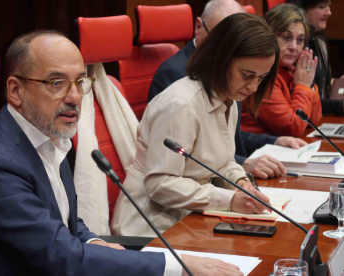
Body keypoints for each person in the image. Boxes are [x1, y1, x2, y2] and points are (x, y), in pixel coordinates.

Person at [0, 31, 243, 276]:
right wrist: (177, 265)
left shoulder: (49, 136)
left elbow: (66, 223)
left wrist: (96, 241)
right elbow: (60, 254)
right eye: (57, 82)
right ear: (15, 91)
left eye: (80, 81)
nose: (74, 96)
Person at [111, 13, 279, 237]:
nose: (254, 87)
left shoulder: (229, 96)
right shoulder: (181, 105)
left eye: (261, 77)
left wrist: (241, 182)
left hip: (194, 218)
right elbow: (160, 184)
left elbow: (220, 162)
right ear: (221, 59)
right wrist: (229, 198)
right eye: (247, 75)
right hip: (153, 227)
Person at [148, 0, 307, 179]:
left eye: (261, 78)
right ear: (199, 27)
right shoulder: (178, 83)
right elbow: (182, 166)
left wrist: (272, 142)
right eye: (222, 37)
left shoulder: (229, 84)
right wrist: (241, 169)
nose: (254, 87)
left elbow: (225, 138)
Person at [241, 4, 322, 137]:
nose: (294, 47)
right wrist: (303, 86)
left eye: (300, 40)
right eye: (286, 38)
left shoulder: (290, 71)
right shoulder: (262, 75)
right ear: (270, 36)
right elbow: (294, 127)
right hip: (256, 152)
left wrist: (309, 86)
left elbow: (312, 120)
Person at [286, 0, 342, 114]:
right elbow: (304, 100)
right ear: (301, 10)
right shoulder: (295, 50)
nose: (329, 12)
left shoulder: (319, 39)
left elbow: (319, 88)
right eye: (321, 7)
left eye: (329, 6)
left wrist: (336, 83)